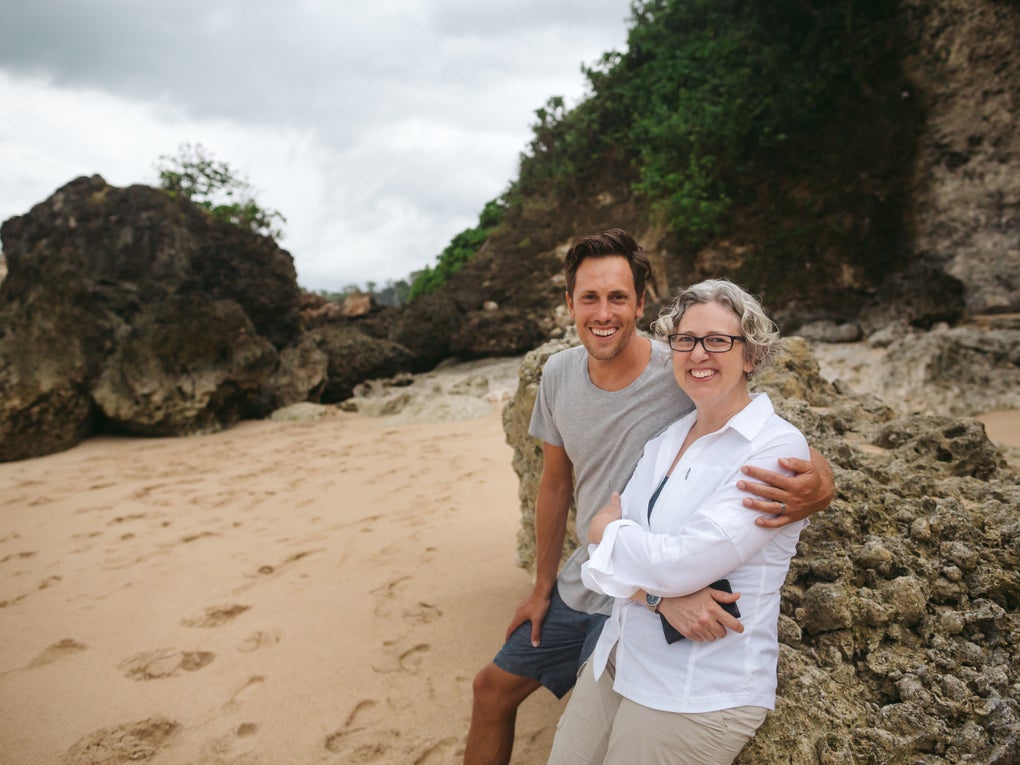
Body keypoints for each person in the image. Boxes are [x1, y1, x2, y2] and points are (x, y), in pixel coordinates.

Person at [464, 230, 833, 765]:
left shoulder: (682, 369)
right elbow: (555, 485)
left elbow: (766, 436)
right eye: (589, 297)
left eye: (618, 297)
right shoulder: (560, 375)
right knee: (490, 690)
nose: (603, 312)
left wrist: (821, 484)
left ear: (641, 303)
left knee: (605, 720)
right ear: (570, 304)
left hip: (637, 610)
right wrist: (542, 587)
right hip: (592, 580)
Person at [546, 278, 809, 764]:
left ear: (750, 355)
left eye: (718, 341)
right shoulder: (667, 438)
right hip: (618, 657)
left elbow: (679, 562)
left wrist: (607, 531)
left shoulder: (773, 448)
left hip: (698, 686)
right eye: (685, 340)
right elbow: (598, 569)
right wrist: (655, 592)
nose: (698, 353)